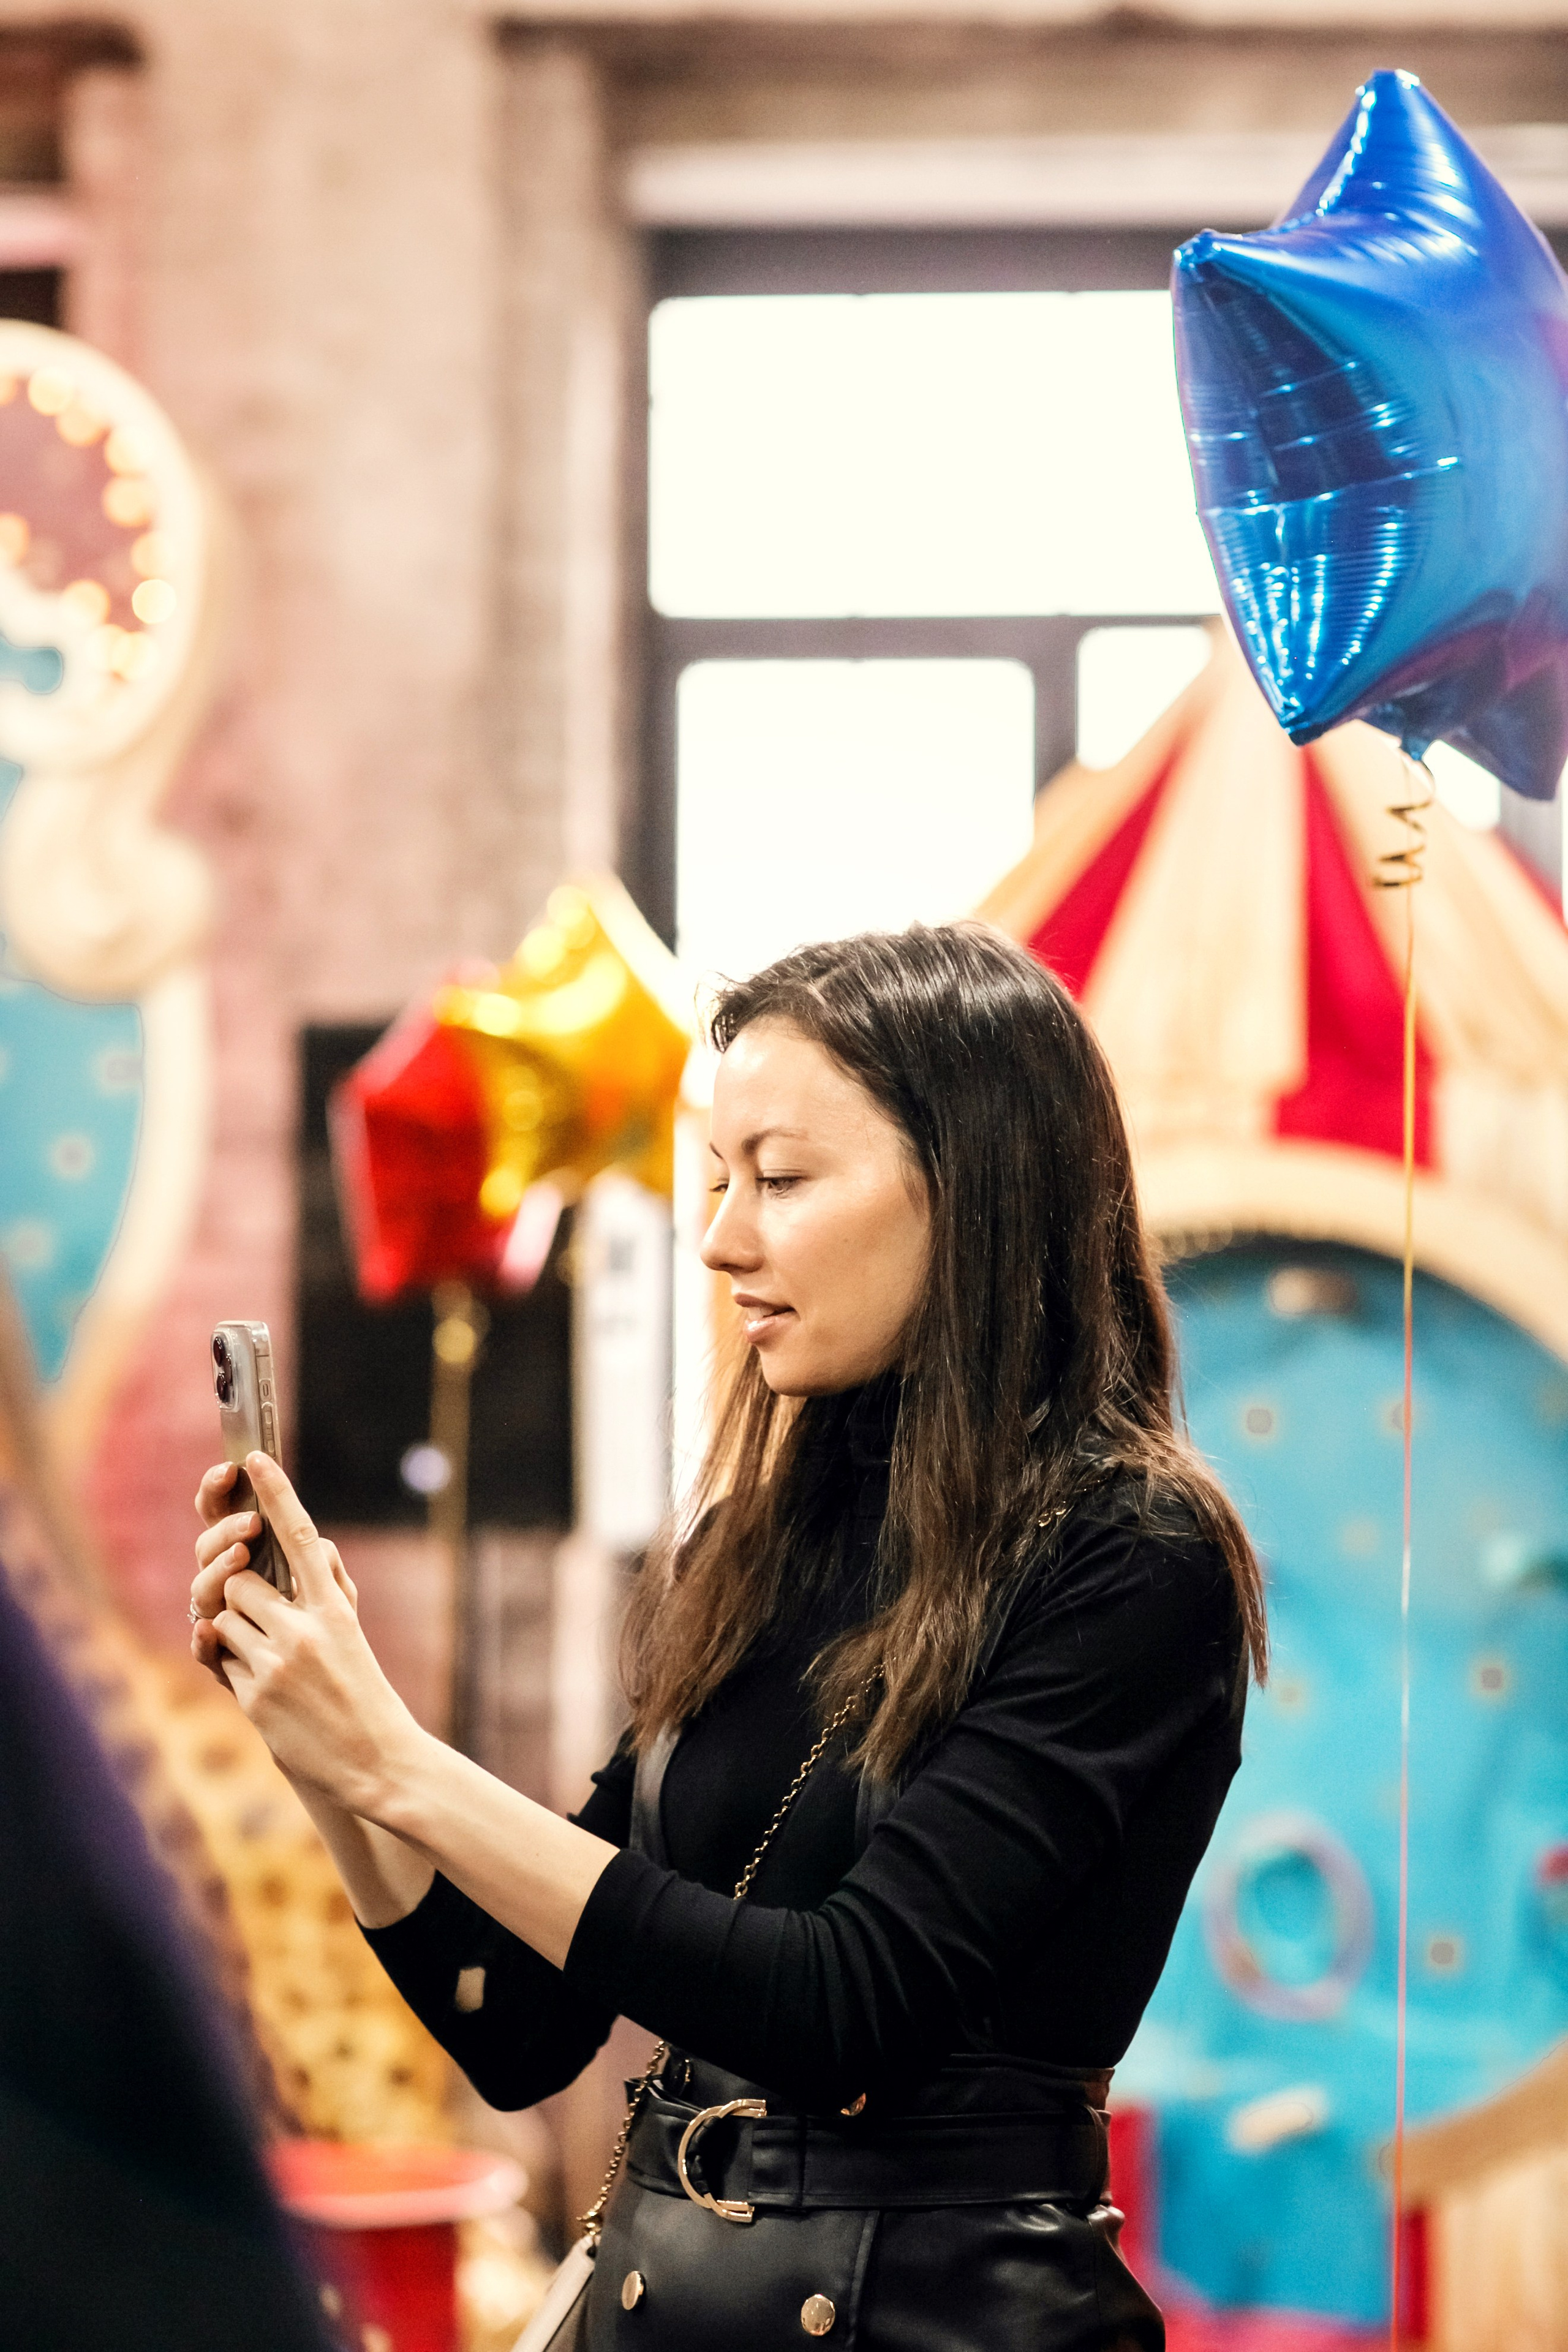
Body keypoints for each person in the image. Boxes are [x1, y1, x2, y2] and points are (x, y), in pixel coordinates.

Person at [191, 922, 1267, 2351]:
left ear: (974, 1190)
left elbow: (842, 2004)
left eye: (781, 1179)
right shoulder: (755, 1544)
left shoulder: (1131, 1555)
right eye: (718, 1178)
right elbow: (512, 2023)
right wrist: (320, 1744)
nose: (719, 1235)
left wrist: (399, 1763)